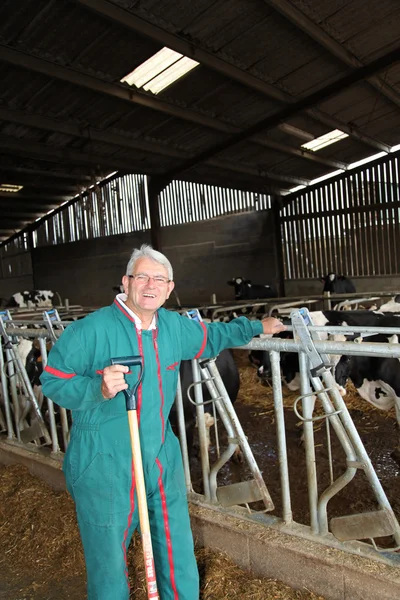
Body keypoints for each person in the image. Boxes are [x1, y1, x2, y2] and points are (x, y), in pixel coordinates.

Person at [40, 244, 286, 600]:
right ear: (125, 282)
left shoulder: (173, 327)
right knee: (108, 561)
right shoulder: (87, 332)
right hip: (104, 460)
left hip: (159, 453)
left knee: (177, 546)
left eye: (159, 279)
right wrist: (98, 388)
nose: (150, 284)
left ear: (170, 288)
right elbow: (52, 381)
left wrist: (255, 326)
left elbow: (212, 336)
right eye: (142, 276)